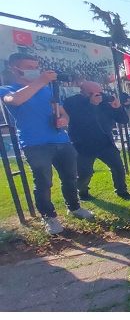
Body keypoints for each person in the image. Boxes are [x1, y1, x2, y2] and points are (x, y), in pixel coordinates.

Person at [0, 53, 94, 235]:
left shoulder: (47, 90)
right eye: (29, 66)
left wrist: (64, 120)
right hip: (35, 144)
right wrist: (40, 81)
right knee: (43, 183)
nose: (34, 71)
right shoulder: (8, 89)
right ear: (15, 68)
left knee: (70, 178)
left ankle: (74, 207)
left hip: (61, 140)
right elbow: (16, 100)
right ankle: (49, 217)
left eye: (36, 66)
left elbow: (63, 112)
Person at [64, 81, 130, 201]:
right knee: (85, 173)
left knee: (118, 167)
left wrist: (117, 108)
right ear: (82, 92)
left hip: (105, 142)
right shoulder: (72, 102)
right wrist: (92, 104)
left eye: (100, 92)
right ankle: (83, 192)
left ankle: (122, 191)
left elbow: (123, 120)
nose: (98, 95)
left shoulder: (105, 100)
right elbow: (78, 120)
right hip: (82, 144)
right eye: (92, 93)